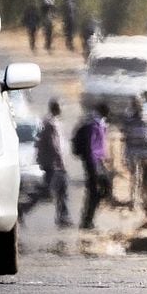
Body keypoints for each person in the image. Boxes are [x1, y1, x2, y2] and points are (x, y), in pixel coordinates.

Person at [34, 98, 72, 227]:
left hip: (55, 164)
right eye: (60, 106)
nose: (62, 109)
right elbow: (54, 145)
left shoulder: (53, 122)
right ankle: (23, 209)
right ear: (56, 108)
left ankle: (63, 217)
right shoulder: (51, 124)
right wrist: (61, 162)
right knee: (47, 192)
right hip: (54, 165)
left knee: (62, 191)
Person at [122, 94, 147, 213]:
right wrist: (126, 153)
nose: (137, 105)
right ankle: (135, 201)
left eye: (138, 103)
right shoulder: (128, 118)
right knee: (136, 177)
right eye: (135, 103)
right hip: (134, 152)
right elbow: (126, 136)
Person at [77, 102, 111, 230]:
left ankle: (88, 218)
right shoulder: (93, 125)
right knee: (95, 191)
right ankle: (87, 220)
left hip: (98, 162)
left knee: (101, 190)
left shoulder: (100, 123)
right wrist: (93, 166)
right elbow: (91, 146)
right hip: (93, 163)